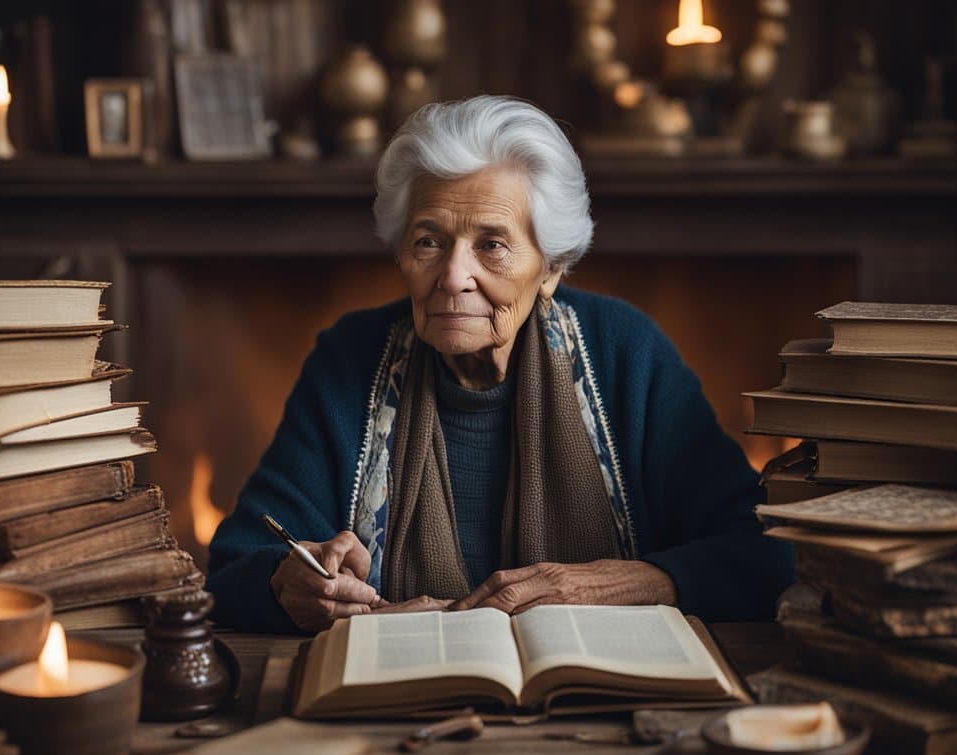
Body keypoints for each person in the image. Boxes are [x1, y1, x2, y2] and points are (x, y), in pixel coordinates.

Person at [206, 96, 793, 633]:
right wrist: (290, 584)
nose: (454, 277)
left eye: (492, 244)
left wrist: (628, 582)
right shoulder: (350, 360)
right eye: (429, 242)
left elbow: (768, 551)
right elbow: (236, 565)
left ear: (552, 267)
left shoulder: (622, 352)